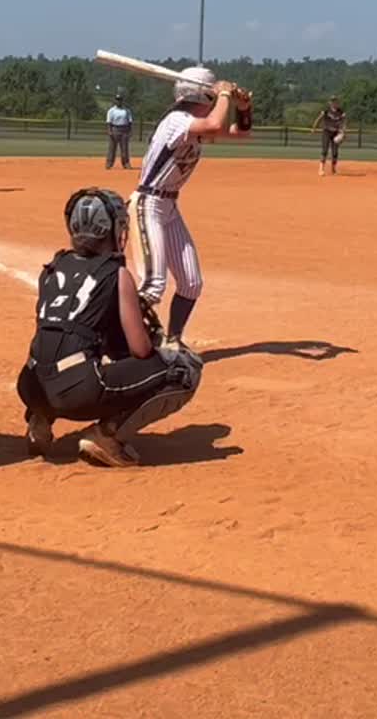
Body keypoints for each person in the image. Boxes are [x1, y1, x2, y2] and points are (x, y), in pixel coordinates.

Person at [17, 188, 205, 467]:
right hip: (75, 392)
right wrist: (155, 342)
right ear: (110, 229)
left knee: (60, 351)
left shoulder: (53, 267)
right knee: (183, 369)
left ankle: (40, 420)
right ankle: (107, 436)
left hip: (31, 386)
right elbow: (140, 351)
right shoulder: (117, 273)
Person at [129, 66, 251, 347]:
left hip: (169, 207)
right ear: (204, 95)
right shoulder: (176, 120)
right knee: (153, 285)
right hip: (148, 203)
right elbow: (214, 125)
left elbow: (240, 133)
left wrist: (243, 107)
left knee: (191, 282)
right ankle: (111, 342)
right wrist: (224, 94)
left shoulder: (193, 125)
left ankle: (173, 341)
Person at [310, 96, 347, 176]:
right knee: (325, 150)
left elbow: (344, 122)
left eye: (335, 101)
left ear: (337, 102)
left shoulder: (341, 112)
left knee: (335, 152)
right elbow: (319, 119)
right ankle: (321, 169)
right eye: (332, 101)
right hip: (326, 132)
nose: (334, 103)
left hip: (336, 133)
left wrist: (343, 132)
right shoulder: (326, 111)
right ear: (330, 103)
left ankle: (333, 169)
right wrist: (314, 128)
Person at [105, 91, 135, 170]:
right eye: (117, 99)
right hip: (115, 128)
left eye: (120, 99)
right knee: (112, 148)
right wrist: (109, 131)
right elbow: (109, 122)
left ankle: (126, 163)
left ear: (122, 101)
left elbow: (130, 121)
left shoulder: (126, 110)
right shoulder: (111, 111)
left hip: (124, 130)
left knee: (124, 148)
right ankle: (109, 163)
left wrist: (130, 131)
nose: (119, 101)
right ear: (115, 100)